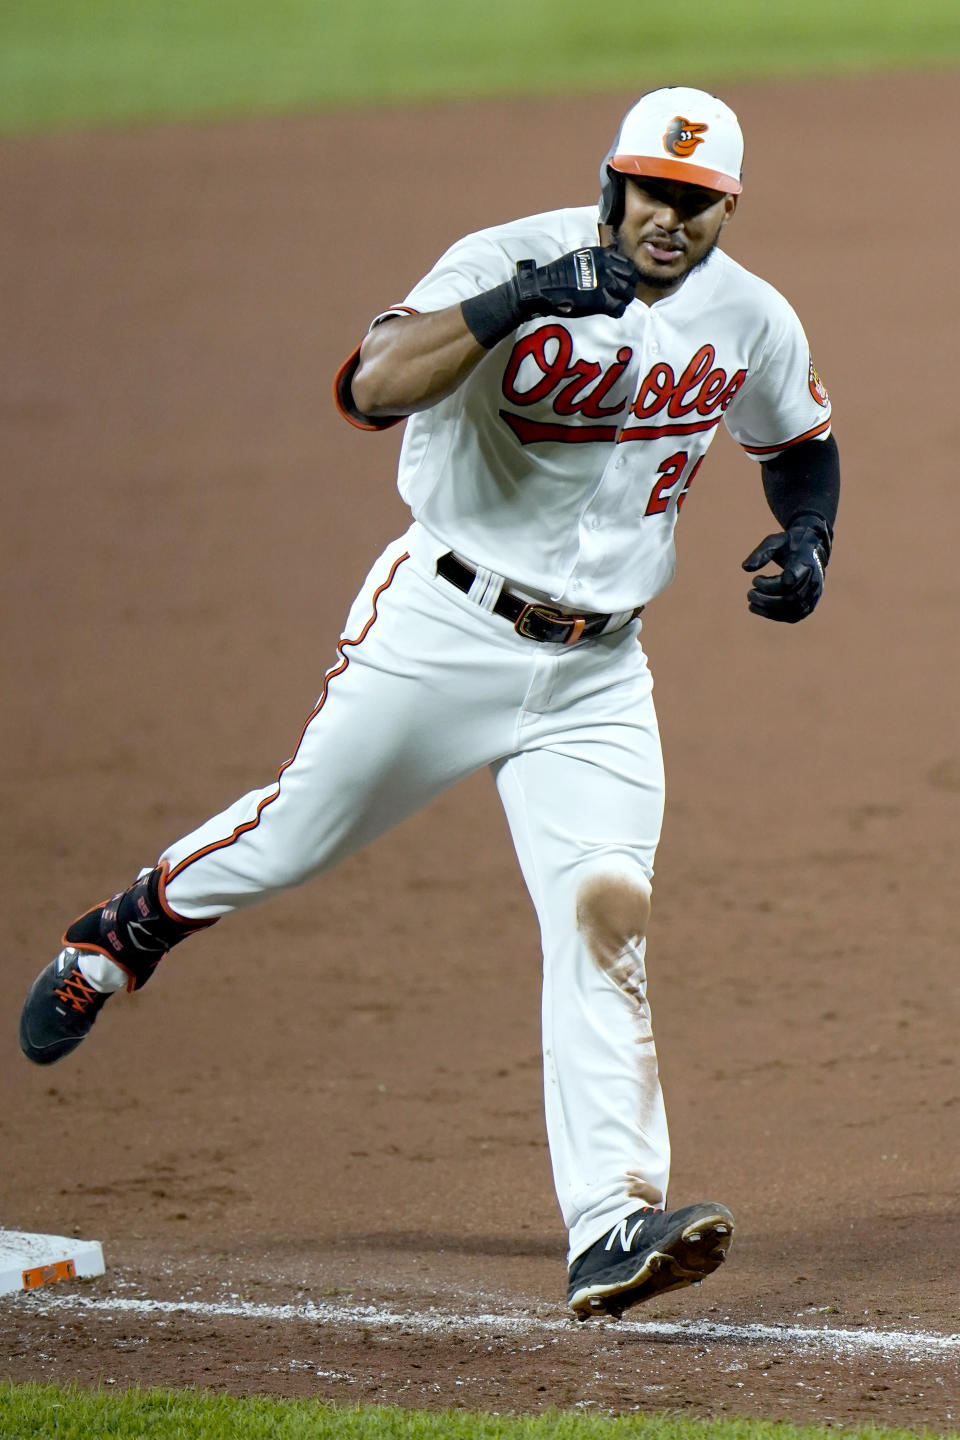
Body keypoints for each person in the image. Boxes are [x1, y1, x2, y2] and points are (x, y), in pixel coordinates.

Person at [19, 86, 839, 1320]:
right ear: (613, 181)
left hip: (599, 675)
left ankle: (612, 1224)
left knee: (605, 918)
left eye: (699, 201)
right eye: (651, 191)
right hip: (444, 625)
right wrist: (521, 302)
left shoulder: (750, 317)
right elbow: (369, 385)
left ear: (729, 208)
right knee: (298, 832)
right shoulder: (504, 257)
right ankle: (128, 930)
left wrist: (811, 537)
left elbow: (798, 446)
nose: (670, 219)